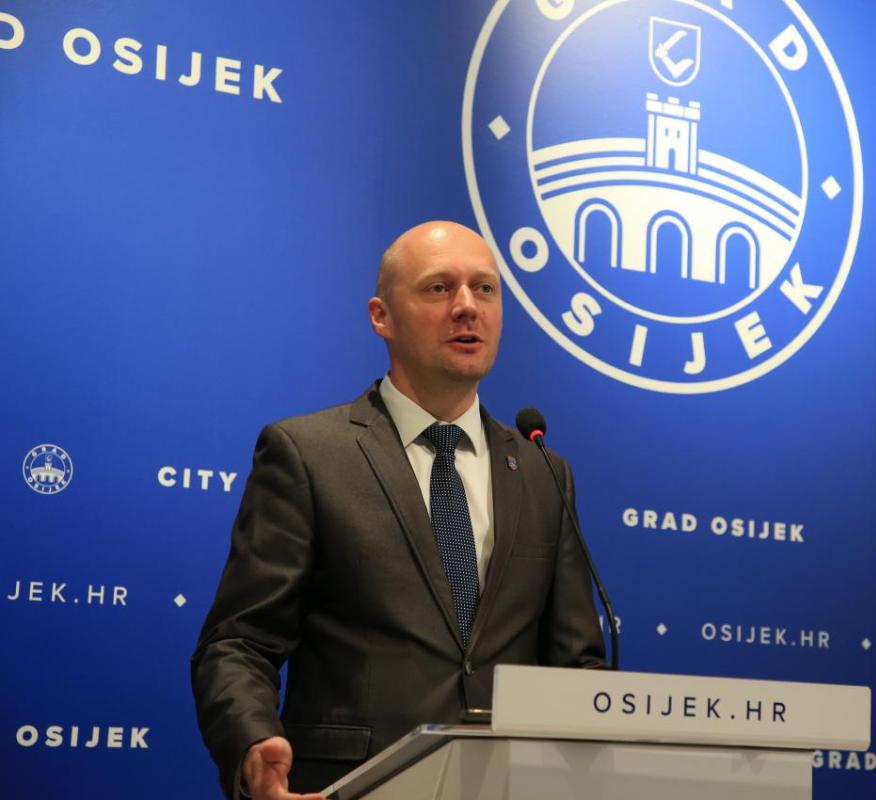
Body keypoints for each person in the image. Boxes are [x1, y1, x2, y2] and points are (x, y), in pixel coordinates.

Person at [191, 221, 606, 799]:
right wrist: (253, 743)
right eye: (439, 288)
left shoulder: (543, 472)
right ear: (381, 316)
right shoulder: (309, 454)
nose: (467, 307)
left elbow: (576, 666)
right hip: (354, 785)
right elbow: (240, 643)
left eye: (484, 289)